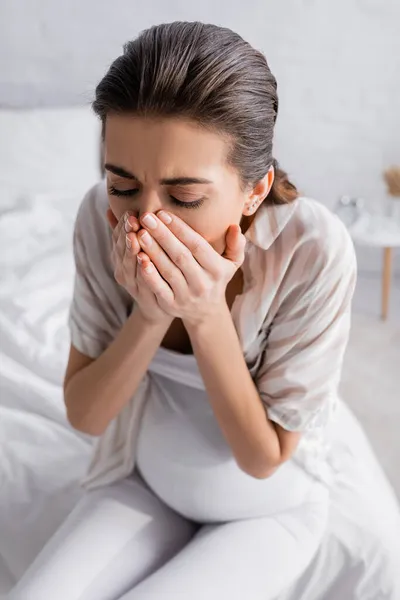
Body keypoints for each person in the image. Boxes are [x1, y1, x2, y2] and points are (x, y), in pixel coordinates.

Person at [8, 21, 357, 600]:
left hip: (266, 512)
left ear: (254, 190)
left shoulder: (312, 248)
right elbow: (87, 416)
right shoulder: (99, 221)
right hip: (145, 483)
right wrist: (147, 315)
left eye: (185, 198)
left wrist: (202, 313)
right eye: (122, 186)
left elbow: (263, 457)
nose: (146, 220)